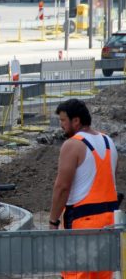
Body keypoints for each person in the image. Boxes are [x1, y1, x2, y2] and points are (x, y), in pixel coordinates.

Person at [50, 99, 118, 279]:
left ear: (76, 121)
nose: (61, 125)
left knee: (77, 274)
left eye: (63, 120)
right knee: (102, 274)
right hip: (110, 221)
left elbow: (62, 187)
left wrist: (53, 221)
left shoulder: (73, 145)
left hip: (83, 223)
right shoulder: (108, 141)